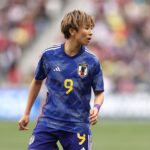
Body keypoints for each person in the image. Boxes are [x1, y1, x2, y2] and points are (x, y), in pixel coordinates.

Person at [18, 10, 104, 150]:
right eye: (87, 28)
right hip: (49, 122)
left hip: (77, 125)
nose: (91, 32)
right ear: (72, 31)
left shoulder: (92, 61)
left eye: (91, 28)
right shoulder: (49, 55)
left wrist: (96, 107)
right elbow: (37, 81)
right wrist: (26, 113)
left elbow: (99, 92)